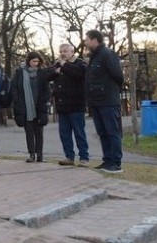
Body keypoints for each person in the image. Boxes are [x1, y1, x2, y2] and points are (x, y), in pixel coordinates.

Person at [84, 29, 125, 173]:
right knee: (102, 132)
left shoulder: (107, 54)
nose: (85, 42)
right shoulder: (94, 57)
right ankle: (107, 161)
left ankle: (116, 163)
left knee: (112, 132)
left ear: (94, 40)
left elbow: (118, 76)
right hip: (96, 102)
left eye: (87, 39)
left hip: (108, 101)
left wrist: (107, 90)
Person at [48, 43, 89, 167]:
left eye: (65, 51)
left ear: (72, 52)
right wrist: (56, 71)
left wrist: (65, 66)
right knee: (64, 133)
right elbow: (47, 75)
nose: (62, 53)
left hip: (76, 105)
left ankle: (84, 157)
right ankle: (69, 156)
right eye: (61, 51)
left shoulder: (80, 64)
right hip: (62, 106)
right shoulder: (58, 64)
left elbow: (78, 74)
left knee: (79, 132)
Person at [11, 51, 51, 163]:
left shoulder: (41, 73)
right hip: (25, 107)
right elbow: (14, 88)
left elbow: (47, 90)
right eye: (34, 61)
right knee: (29, 132)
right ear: (29, 61)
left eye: (38, 61)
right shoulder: (20, 72)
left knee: (39, 132)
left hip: (39, 106)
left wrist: (44, 100)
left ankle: (40, 155)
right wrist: (17, 101)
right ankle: (31, 154)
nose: (36, 63)